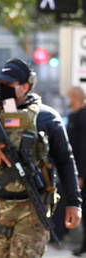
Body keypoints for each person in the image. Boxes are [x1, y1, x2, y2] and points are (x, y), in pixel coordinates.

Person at [0, 58, 82, 257]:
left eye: (10, 84)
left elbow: (65, 160)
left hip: (33, 207)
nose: (4, 88)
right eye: (1, 83)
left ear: (26, 86)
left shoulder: (47, 118)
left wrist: (74, 202)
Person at [66, 86, 86, 256]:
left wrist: (80, 175)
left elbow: (83, 149)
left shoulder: (83, 118)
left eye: (69, 97)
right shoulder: (73, 117)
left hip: (81, 172)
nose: (67, 101)